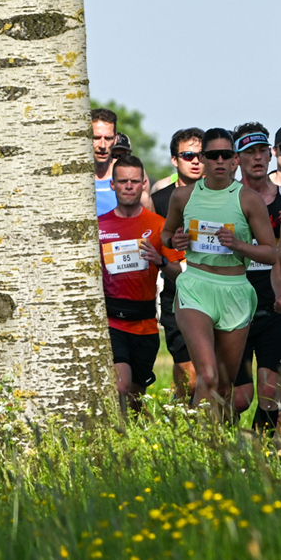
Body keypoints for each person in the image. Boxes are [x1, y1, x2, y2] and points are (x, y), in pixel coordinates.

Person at [162, 129, 281, 420]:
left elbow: (271, 252)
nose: (218, 160)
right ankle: (197, 451)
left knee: (226, 387)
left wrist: (239, 245)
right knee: (208, 375)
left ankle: (218, 449)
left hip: (235, 290)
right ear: (202, 158)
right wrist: (173, 241)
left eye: (225, 155)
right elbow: (166, 234)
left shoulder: (249, 199)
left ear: (234, 160)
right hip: (196, 286)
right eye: (211, 155)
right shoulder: (182, 196)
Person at [230, 123, 281, 438]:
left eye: (261, 152)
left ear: (270, 155)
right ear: (237, 159)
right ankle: (219, 442)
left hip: (273, 301)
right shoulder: (228, 197)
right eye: (249, 152)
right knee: (240, 398)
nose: (257, 158)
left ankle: (264, 458)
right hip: (235, 303)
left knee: (269, 392)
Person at [99, 154, 175, 414]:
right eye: (122, 181)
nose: (129, 186)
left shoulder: (158, 226)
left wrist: (161, 260)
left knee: (134, 397)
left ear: (144, 183)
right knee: (120, 386)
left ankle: (131, 440)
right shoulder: (98, 227)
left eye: (134, 181)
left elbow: (180, 271)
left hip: (145, 324)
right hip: (111, 321)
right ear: (113, 185)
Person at [152, 127, 205, 401]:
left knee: (212, 375)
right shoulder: (159, 200)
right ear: (175, 160)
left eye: (200, 155)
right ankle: (181, 416)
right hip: (176, 292)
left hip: (214, 291)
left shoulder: (224, 196)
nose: (196, 161)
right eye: (188, 155)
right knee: (188, 374)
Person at [92, 108, 120, 216]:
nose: (102, 146)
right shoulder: (72, 175)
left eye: (108, 138)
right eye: (96, 138)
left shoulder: (129, 174)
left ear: (115, 139)